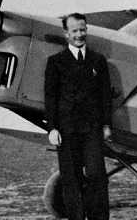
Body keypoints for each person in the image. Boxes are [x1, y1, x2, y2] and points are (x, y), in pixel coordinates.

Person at [44, 13, 112, 220]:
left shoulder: (98, 61)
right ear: (66, 34)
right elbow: (51, 97)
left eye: (83, 30)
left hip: (92, 128)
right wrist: (52, 128)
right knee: (71, 179)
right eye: (74, 31)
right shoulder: (55, 62)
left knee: (96, 175)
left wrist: (107, 124)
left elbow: (105, 96)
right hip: (66, 129)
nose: (79, 35)